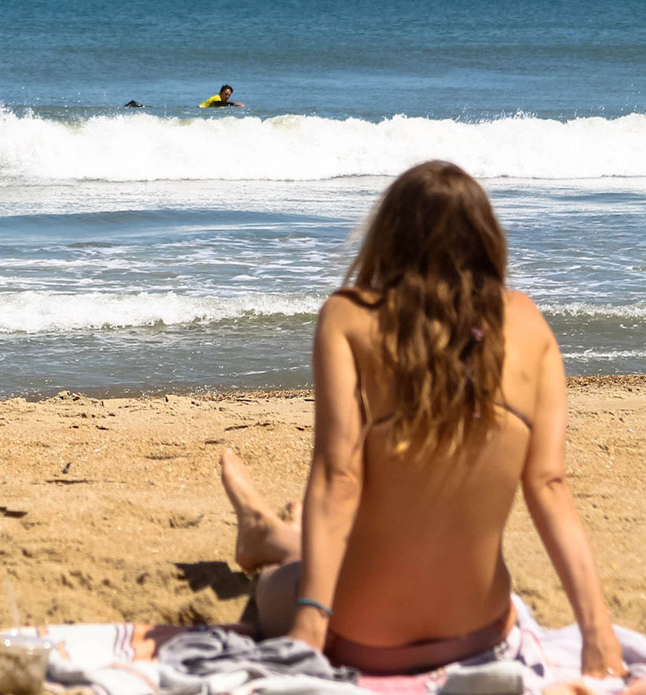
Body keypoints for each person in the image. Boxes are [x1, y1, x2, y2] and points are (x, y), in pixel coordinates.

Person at [220, 160, 625, 677]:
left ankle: (270, 538)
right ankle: (270, 534)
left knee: (285, 584)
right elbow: (549, 485)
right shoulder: (528, 322)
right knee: (352, 546)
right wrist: (599, 637)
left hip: (361, 635)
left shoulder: (349, 317)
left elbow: (339, 479)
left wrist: (313, 625)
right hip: (482, 633)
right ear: (487, 240)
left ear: (388, 235)